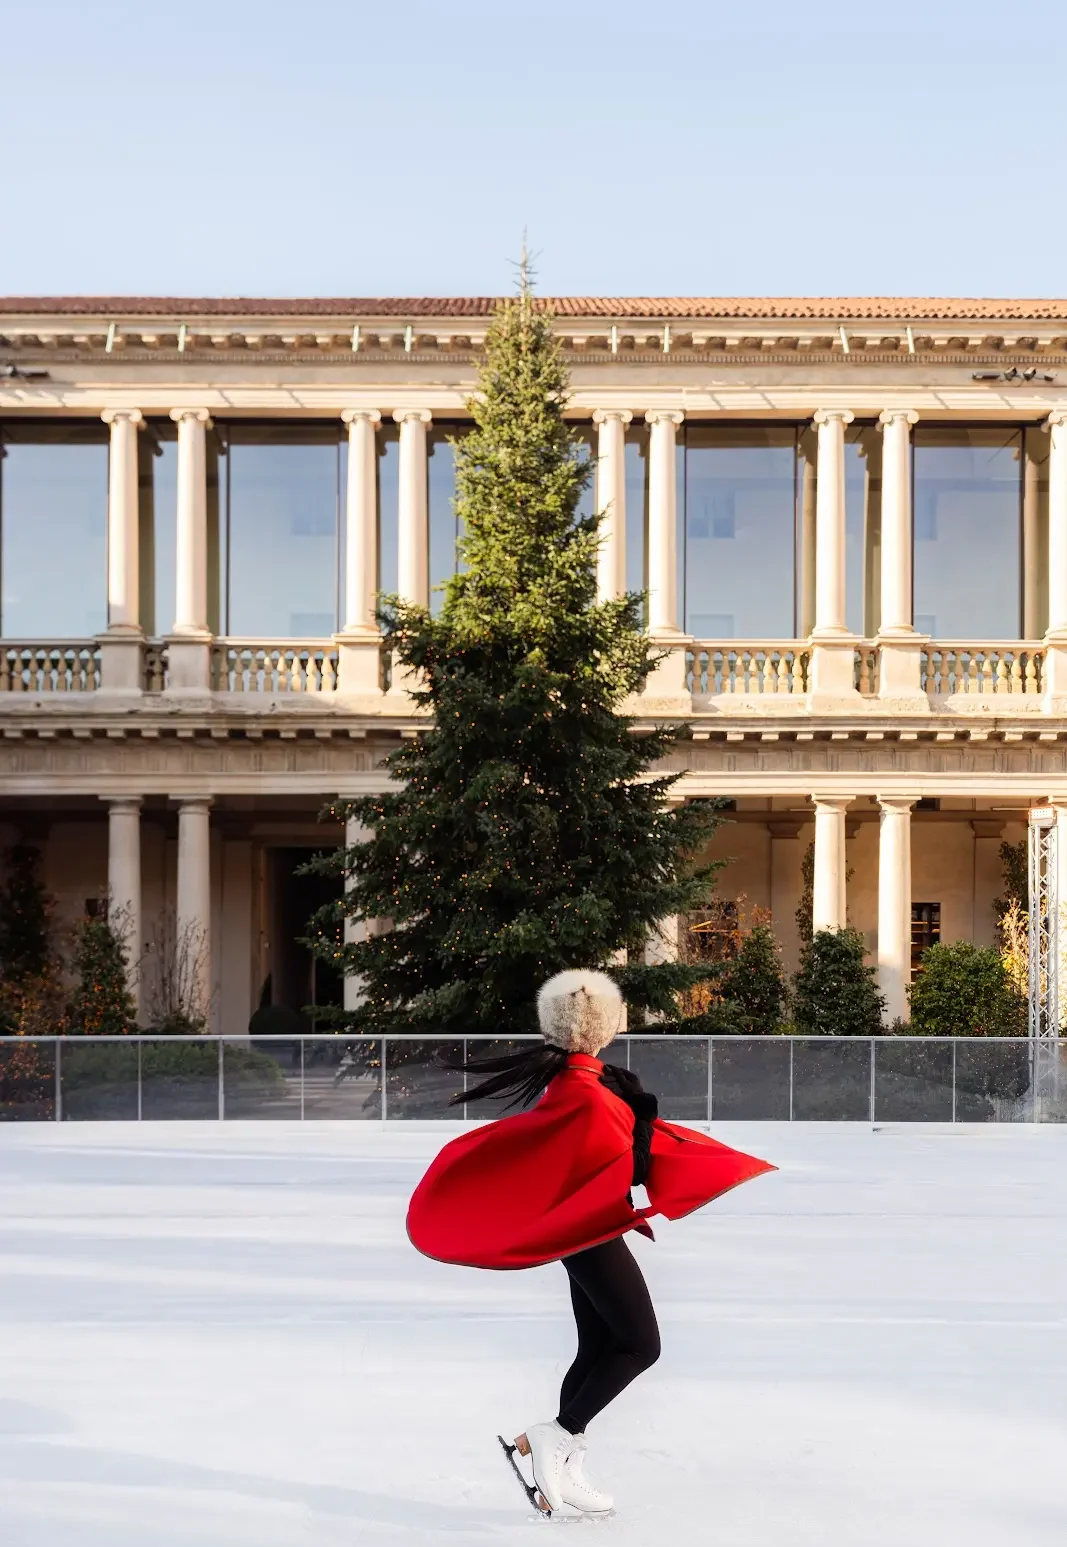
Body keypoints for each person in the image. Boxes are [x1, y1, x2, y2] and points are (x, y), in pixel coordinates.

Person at [406, 969, 776, 1520]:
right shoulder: (587, 1092)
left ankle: (564, 1465)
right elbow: (611, 1158)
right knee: (639, 1345)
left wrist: (640, 1127)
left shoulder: (584, 1085)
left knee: (599, 1348)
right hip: (588, 1231)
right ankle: (556, 1435)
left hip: (584, 1228)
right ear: (608, 1026)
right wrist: (648, 1139)